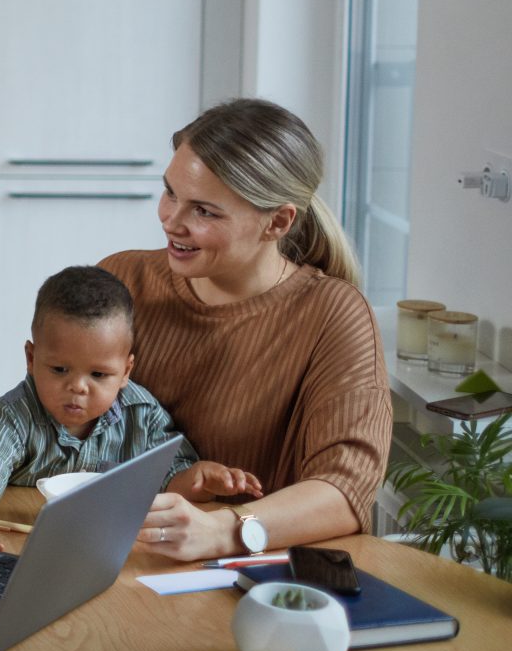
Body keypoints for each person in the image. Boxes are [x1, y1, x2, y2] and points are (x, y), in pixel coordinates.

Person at [101, 98, 390, 561]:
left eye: (205, 212)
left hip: (253, 577)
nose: (171, 220)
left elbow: (344, 490)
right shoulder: (123, 281)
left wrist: (223, 530)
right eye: (171, 192)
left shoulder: (334, 314)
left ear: (277, 221)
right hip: (120, 551)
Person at [0, 265, 259, 553]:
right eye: (60, 369)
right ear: (32, 360)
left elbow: (167, 478)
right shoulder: (17, 413)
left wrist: (198, 479)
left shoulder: (142, 414)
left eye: (98, 375)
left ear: (126, 372)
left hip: (104, 547)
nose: (78, 387)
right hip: (26, 544)